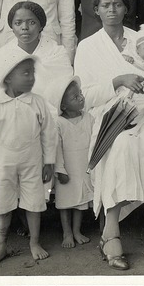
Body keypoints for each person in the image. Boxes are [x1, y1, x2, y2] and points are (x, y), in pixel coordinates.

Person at [73, 0, 144, 270]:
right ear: (96, 10)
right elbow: (83, 97)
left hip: (143, 114)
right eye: (105, 5)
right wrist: (118, 81)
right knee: (121, 147)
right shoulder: (87, 46)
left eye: (117, 5)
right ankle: (110, 231)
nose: (111, 10)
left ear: (126, 9)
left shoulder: (142, 40)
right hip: (109, 117)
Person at [0, 0, 73, 234]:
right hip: (12, 111)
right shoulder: (1, 57)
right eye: (18, 23)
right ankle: (14, 210)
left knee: (51, 129)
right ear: (11, 27)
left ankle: (40, 205)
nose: (25, 28)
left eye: (31, 22)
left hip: (48, 110)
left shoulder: (56, 52)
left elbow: (60, 87)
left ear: (41, 25)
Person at [0, 50, 57, 265]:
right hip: (3, 159)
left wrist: (49, 161)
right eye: (26, 73)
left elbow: (49, 133)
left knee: (34, 200)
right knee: (1, 201)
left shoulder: (37, 102)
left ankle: (34, 242)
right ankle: (1, 246)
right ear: (8, 78)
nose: (31, 78)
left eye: (32, 73)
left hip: (32, 158)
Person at [47, 76, 94, 249]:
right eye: (75, 97)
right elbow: (56, 149)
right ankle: (67, 232)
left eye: (80, 93)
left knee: (80, 201)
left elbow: (95, 140)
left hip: (82, 167)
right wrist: (60, 170)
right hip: (67, 169)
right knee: (66, 203)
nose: (81, 97)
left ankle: (76, 230)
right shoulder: (58, 123)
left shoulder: (89, 118)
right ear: (64, 106)